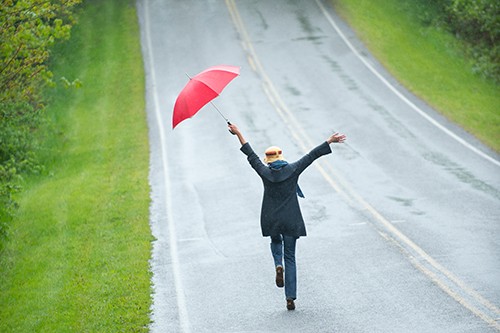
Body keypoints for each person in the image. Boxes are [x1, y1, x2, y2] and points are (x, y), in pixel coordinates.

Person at [228, 123, 346, 310]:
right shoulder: (293, 169)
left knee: (276, 243)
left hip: (271, 219)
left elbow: (251, 155)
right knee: (290, 257)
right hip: (291, 220)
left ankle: (277, 264)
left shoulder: (264, 172)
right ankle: (290, 297)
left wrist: (238, 133)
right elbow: (311, 156)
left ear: (268, 160)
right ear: (281, 158)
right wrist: (329, 141)